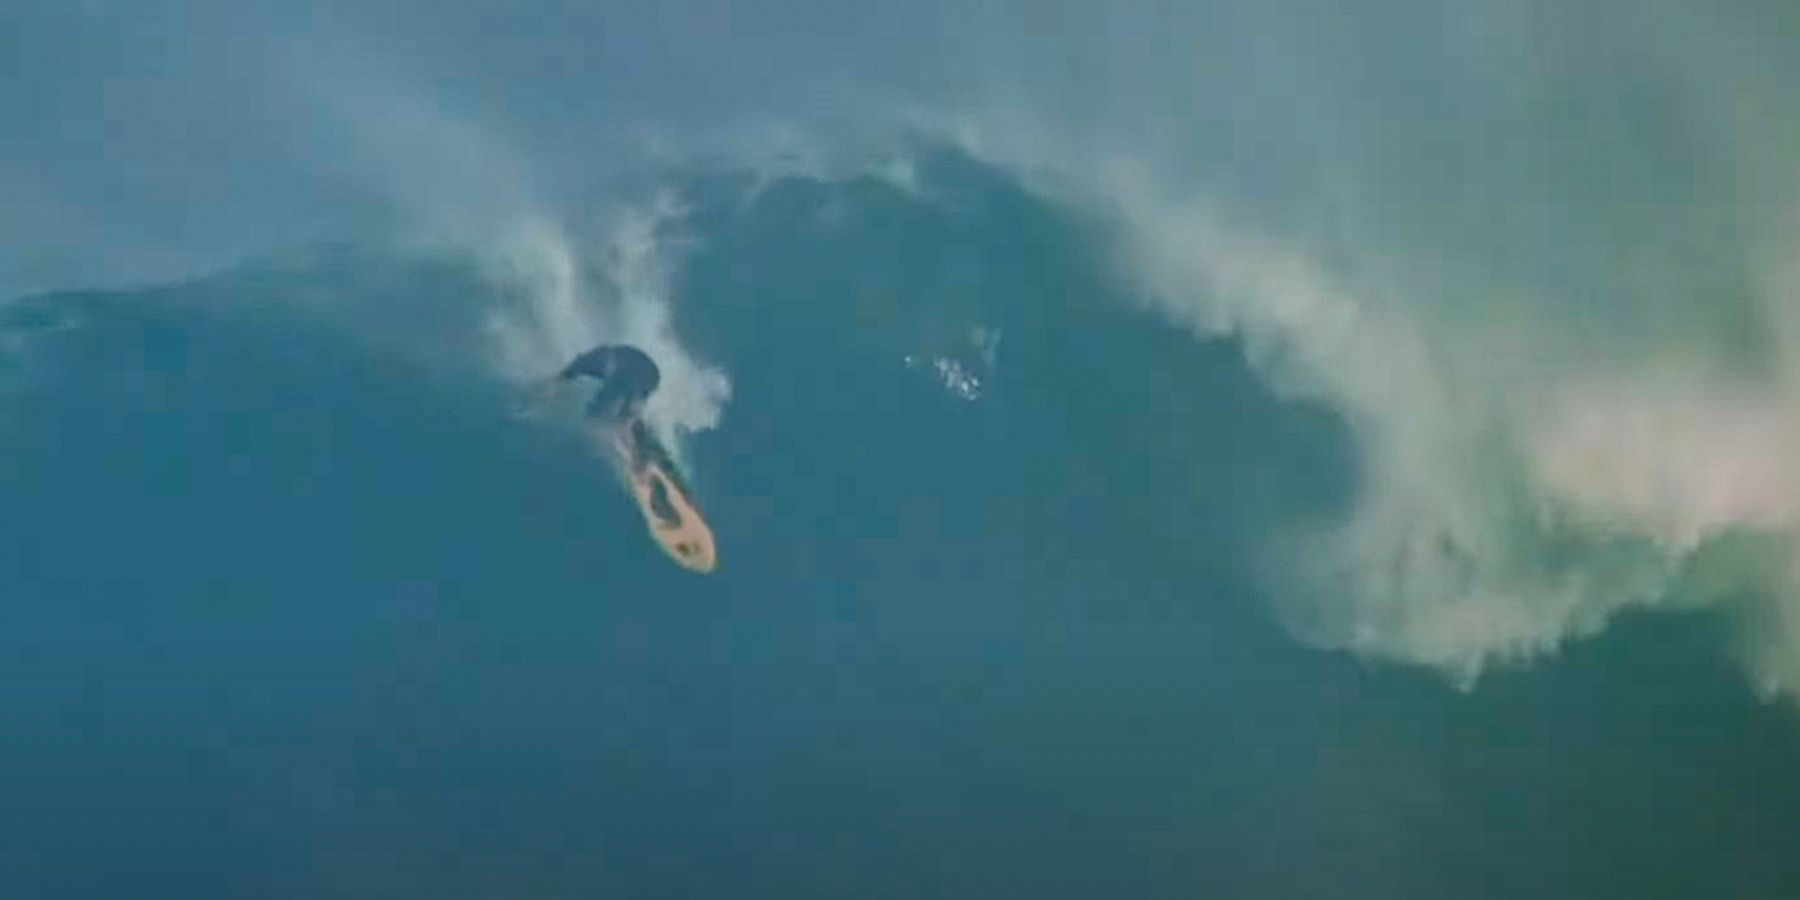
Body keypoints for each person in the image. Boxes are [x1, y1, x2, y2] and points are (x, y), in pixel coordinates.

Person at [558, 344, 661, 422]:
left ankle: (624, 417)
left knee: (610, 401)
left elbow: (610, 392)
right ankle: (628, 418)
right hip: (648, 374)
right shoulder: (600, 359)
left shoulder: (604, 362)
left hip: (637, 371)